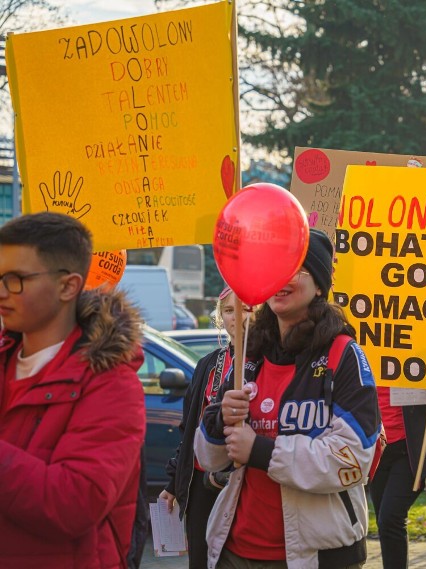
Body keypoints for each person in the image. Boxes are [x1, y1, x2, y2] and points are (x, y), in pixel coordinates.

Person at [194, 229, 381, 568]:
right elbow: (209, 458)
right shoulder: (249, 353)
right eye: (274, 268)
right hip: (234, 551)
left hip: (315, 556)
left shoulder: (344, 355)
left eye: (294, 268)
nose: (281, 278)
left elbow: (354, 460)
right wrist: (220, 419)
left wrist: (261, 451)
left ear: (321, 284)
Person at [0, 212, 146, 568]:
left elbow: (74, 503)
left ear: (68, 286)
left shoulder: (113, 384)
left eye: (16, 279)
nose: (2, 292)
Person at [160, 286, 252, 568]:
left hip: (245, 481)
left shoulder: (269, 360)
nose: (237, 316)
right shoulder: (208, 364)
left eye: (246, 308)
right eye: (228, 310)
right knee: (200, 560)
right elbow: (188, 428)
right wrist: (174, 483)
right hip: (202, 482)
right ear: (220, 318)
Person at [372, 388, 426, 569]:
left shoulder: (412, 358)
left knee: (390, 519)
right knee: (386, 523)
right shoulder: (364, 359)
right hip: (376, 448)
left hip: (410, 449)